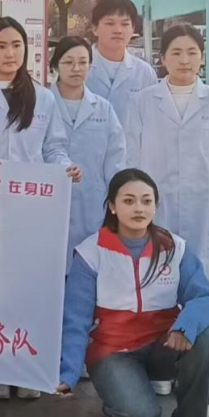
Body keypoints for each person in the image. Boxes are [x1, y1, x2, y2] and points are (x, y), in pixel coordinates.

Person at [0, 17, 81, 401]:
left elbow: (53, 148)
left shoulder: (42, 97)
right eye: (1, 46)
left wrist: (65, 167)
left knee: (30, 289)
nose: (10, 53)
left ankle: (27, 369)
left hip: (32, 209)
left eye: (17, 45)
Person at [57, 168, 209, 417]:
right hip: (113, 353)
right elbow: (75, 320)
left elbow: (207, 297)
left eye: (146, 201)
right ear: (112, 206)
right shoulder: (91, 253)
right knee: (140, 414)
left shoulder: (173, 248)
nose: (139, 208)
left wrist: (185, 326)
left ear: (155, 207)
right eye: (129, 201)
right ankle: (122, 398)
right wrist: (68, 374)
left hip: (163, 345)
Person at [126, 24, 209, 288]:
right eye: (176, 52)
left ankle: (200, 312)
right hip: (157, 203)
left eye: (192, 52)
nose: (184, 60)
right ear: (163, 58)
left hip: (205, 204)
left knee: (203, 275)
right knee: (158, 274)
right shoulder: (143, 102)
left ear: (201, 57)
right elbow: (130, 159)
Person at [49, 37, 126, 264]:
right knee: (49, 263)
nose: (76, 68)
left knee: (89, 264)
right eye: (68, 62)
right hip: (49, 198)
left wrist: (118, 198)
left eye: (83, 62)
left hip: (93, 202)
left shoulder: (103, 108)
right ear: (55, 65)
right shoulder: (41, 103)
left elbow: (116, 157)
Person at [85, 0, 158, 128]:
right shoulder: (79, 68)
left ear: (133, 29)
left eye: (125, 24)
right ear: (94, 28)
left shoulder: (145, 73)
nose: (118, 30)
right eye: (110, 23)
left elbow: (152, 121)